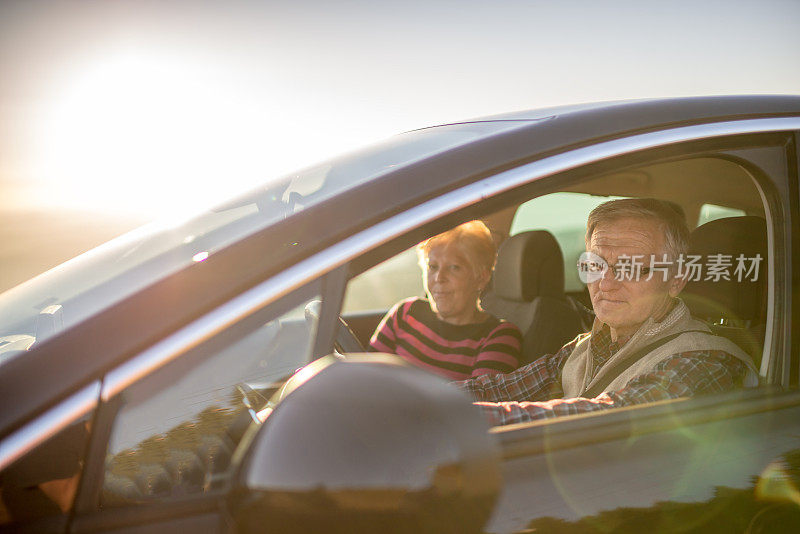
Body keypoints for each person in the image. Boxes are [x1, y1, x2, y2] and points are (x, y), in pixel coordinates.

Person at [454, 199, 759, 426]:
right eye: (595, 265)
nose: (606, 283)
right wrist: (427, 399)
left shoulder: (707, 360)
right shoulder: (585, 346)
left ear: (675, 279)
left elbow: (608, 416)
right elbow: (503, 388)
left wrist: (448, 416)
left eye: (631, 267)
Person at [369, 220, 522, 380]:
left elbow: (480, 403)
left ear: (481, 278)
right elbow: (365, 377)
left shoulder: (498, 336)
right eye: (433, 267)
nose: (439, 278)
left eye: (454, 267)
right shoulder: (405, 313)